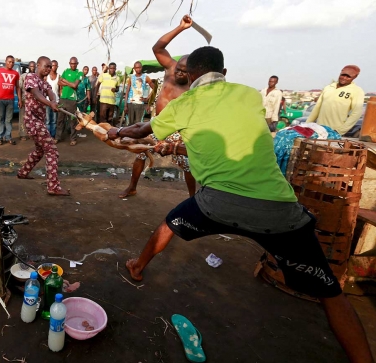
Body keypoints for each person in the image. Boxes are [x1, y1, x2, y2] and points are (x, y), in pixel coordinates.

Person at [106, 46, 373, 363]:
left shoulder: (184, 103)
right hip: (279, 208)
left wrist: (116, 130)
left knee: (169, 224)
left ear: (190, 76)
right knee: (331, 294)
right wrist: (181, 143)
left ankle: (137, 267)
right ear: (224, 72)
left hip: (218, 202)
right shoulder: (250, 95)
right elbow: (228, 137)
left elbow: (139, 130)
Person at [118, 15, 196, 199]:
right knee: (140, 152)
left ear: (192, 73)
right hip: (158, 123)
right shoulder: (170, 67)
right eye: (179, 69)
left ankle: (193, 198)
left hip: (178, 129)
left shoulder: (193, 84)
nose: (179, 73)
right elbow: (158, 47)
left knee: (186, 164)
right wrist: (181, 28)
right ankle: (132, 187)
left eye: (185, 72)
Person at [17, 56, 70, 197]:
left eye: (50, 67)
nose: (48, 69)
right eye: (46, 66)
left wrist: (54, 101)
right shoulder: (30, 78)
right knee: (52, 151)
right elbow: (36, 93)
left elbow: (50, 92)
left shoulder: (44, 82)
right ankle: (53, 186)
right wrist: (50, 103)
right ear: (38, 65)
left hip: (38, 122)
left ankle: (23, 172)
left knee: (40, 150)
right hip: (32, 121)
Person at [306, 65, 365, 136]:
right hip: (319, 130)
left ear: (355, 77)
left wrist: (339, 131)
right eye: (343, 75)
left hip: (334, 132)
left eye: (348, 76)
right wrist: (306, 125)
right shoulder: (328, 88)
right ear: (340, 73)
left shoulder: (357, 91)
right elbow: (317, 108)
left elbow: (356, 113)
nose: (344, 78)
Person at [0, 55, 21, 145]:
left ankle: (8, 137)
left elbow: (18, 87)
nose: (11, 64)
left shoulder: (15, 74)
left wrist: (20, 99)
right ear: (5, 61)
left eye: (12, 62)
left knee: (9, 119)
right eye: (9, 62)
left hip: (10, 100)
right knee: (0, 119)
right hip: (0, 99)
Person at [55, 57, 82, 146]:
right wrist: (69, 83)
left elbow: (75, 85)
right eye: (71, 63)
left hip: (72, 100)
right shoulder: (66, 71)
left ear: (77, 64)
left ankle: (73, 139)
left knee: (72, 120)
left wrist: (65, 81)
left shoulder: (79, 73)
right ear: (69, 63)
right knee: (60, 119)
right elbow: (59, 83)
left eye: (74, 64)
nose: (73, 65)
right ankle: (58, 137)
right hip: (63, 98)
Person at [18, 61, 34, 142]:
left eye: (33, 66)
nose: (32, 68)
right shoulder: (23, 76)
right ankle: (22, 134)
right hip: (25, 100)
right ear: (28, 67)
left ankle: (31, 134)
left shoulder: (37, 77)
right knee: (23, 118)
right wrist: (20, 100)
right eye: (31, 66)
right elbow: (19, 89)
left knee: (32, 119)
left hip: (34, 102)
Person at [45, 59, 60, 138]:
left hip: (56, 101)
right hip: (47, 101)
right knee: (47, 120)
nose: (54, 67)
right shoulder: (46, 77)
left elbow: (60, 89)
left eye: (56, 65)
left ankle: (53, 135)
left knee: (54, 120)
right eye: (53, 65)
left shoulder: (58, 76)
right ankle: (47, 135)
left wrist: (59, 100)